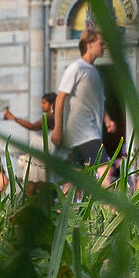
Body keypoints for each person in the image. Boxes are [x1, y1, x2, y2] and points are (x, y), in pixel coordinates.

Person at [56, 32, 117, 183]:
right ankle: (109, 207)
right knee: (105, 169)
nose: (104, 47)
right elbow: (60, 98)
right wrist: (58, 128)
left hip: (89, 131)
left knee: (75, 178)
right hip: (83, 131)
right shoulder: (76, 68)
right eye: (101, 44)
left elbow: (99, 99)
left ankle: (62, 207)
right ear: (89, 45)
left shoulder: (94, 71)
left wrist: (107, 120)